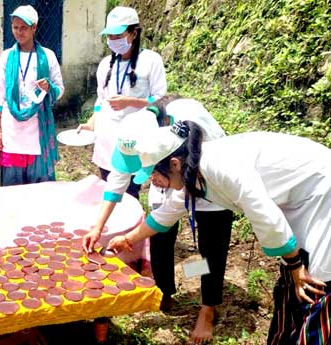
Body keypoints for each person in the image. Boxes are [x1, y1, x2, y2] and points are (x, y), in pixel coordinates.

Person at [105, 121, 331, 344]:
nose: (151, 181)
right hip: (295, 199)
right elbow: (165, 215)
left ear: (174, 164)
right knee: (294, 276)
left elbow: (264, 215)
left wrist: (294, 263)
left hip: (321, 192)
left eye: (153, 173)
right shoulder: (192, 171)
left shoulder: (220, 166)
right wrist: (127, 238)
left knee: (315, 281)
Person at [148, 98, 234, 344]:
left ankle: (208, 308)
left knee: (211, 247)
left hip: (210, 180)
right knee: (159, 232)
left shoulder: (198, 131)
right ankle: (164, 289)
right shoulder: (148, 134)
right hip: (173, 172)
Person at [77, 6, 166, 199]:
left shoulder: (151, 61)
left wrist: (132, 102)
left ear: (133, 33)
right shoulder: (105, 65)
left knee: (130, 192)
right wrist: (91, 123)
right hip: (106, 138)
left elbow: (160, 99)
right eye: (110, 37)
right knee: (108, 186)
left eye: (118, 36)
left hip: (135, 137)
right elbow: (100, 100)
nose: (113, 41)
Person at [0, 5, 64, 186]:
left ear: (34, 27)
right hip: (11, 128)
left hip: (37, 129)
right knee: (12, 188)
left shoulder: (48, 56)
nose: (19, 32)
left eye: (24, 28)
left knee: (39, 189)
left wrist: (49, 87)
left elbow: (60, 89)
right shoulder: (7, 56)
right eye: (15, 27)